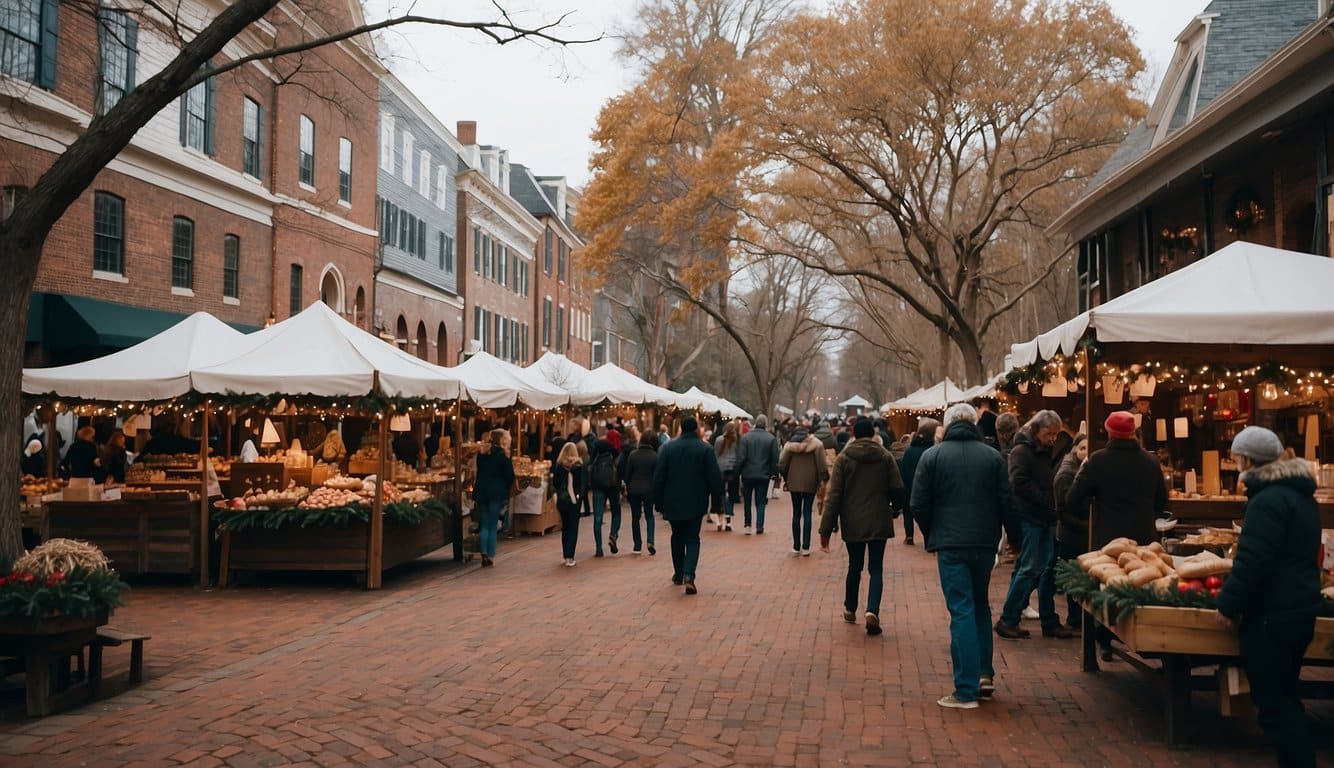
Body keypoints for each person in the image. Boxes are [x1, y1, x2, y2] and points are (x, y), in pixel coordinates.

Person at [1213, 426, 1321, 768]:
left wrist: (1229, 603)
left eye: (1236, 458)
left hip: (1271, 615)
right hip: (1299, 608)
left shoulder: (1268, 501)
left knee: (1274, 704)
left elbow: (1253, 559)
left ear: (1249, 459)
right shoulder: (1301, 495)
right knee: (1287, 696)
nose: (1235, 466)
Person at [910, 403, 1015, 709]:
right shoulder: (993, 457)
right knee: (979, 605)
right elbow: (1007, 502)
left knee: (962, 609)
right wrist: (1014, 539)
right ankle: (984, 674)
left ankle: (966, 689)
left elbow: (918, 503)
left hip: (951, 544)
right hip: (984, 543)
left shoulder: (933, 456)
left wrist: (933, 534)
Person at [818, 417, 904, 637]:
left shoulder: (844, 458)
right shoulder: (885, 456)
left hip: (853, 520)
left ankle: (849, 608)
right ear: (873, 433)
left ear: (854, 433)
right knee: (876, 568)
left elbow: (834, 495)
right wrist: (895, 508)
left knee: (854, 566)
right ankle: (872, 610)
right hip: (878, 519)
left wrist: (826, 529)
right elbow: (897, 487)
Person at [996, 410, 1074, 640]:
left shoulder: (1041, 449)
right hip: (1030, 516)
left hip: (1042, 517)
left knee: (1043, 568)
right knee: (1030, 568)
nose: (1053, 438)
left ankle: (1046, 620)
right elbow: (1018, 482)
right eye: (1050, 433)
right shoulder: (1023, 450)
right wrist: (1045, 499)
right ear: (1037, 429)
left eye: (1055, 434)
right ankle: (1008, 618)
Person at [653, 416, 724, 595]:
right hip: (696, 501)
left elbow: (659, 477)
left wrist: (658, 502)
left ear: (681, 428)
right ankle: (688, 574)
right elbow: (715, 479)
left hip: (672, 501)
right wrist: (716, 504)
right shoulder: (705, 449)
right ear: (696, 429)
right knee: (692, 538)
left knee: (677, 536)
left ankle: (678, 573)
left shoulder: (668, 448)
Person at [1052, 433, 1088, 630]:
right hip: (1071, 534)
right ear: (1074, 449)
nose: (1086, 452)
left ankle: (1078, 618)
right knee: (1073, 577)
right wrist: (1086, 526)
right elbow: (1062, 510)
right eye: (1082, 447)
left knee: (1079, 576)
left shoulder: (1084, 469)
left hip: (1080, 532)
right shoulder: (1067, 473)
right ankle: (1074, 618)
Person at [778, 423, 828, 556]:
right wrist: (823, 477)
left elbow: (782, 463)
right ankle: (806, 547)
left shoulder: (789, 446)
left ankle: (796, 546)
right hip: (810, 482)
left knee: (796, 513)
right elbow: (822, 464)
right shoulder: (817, 445)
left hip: (793, 482)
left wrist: (785, 476)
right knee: (807, 513)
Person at [473, 429, 515, 568]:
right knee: (493, 524)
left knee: (484, 524)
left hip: (482, 491)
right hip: (496, 492)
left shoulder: (482, 453)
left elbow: (479, 472)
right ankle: (490, 555)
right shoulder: (503, 455)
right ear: (501, 439)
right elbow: (509, 475)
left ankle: (484, 552)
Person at [897, 418, 940, 547]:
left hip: (909, 486)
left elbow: (903, 469)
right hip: (929, 489)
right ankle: (928, 538)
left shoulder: (910, 450)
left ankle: (909, 535)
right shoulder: (933, 451)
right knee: (929, 513)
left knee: (908, 512)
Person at [735, 414, 780, 534]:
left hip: (748, 474)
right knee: (761, 501)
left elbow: (741, 457)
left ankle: (747, 525)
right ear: (765, 424)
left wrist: (737, 472)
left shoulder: (745, 438)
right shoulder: (771, 439)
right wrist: (775, 474)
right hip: (763, 474)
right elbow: (774, 459)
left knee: (747, 501)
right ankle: (759, 525)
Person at [622, 432, 658, 555]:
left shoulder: (633, 455)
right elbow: (657, 475)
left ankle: (637, 545)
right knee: (649, 516)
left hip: (634, 489)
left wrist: (627, 486)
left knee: (635, 517)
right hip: (649, 489)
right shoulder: (655, 456)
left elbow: (627, 474)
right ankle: (650, 541)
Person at [588, 435, 623, 556]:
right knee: (616, 512)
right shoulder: (614, 458)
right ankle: (613, 534)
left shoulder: (595, 459)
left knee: (598, 518)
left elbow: (589, 467)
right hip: (613, 487)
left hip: (598, 488)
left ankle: (598, 548)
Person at [552, 442, 584, 566]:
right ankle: (570, 557)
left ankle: (565, 555)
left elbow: (555, 483)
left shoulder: (559, 466)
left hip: (561, 500)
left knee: (565, 528)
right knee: (573, 529)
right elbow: (581, 485)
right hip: (573, 500)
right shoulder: (578, 466)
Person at [713, 421, 742, 531]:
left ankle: (719, 521)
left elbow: (715, 454)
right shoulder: (737, 440)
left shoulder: (719, 440)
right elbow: (739, 456)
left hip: (720, 469)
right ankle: (728, 520)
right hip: (732, 470)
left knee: (721, 494)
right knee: (730, 495)